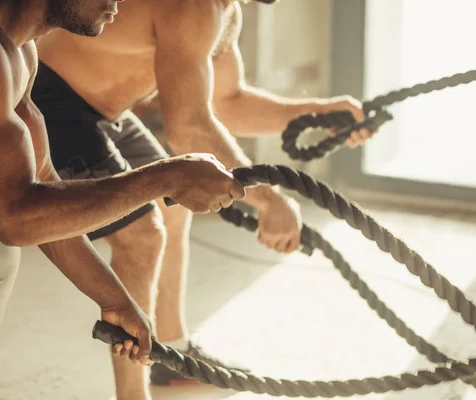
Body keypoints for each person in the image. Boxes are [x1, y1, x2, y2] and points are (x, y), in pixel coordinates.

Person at [0, 0, 245, 399]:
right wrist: (165, 177)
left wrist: (115, 300)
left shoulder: (18, 50)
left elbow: (42, 187)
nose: (118, 2)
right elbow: (14, 217)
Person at [31, 0, 375, 396]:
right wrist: (269, 200)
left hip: (104, 112)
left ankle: (173, 354)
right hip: (49, 97)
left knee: (172, 207)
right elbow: (189, 128)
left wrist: (321, 113)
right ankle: (132, 396)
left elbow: (228, 103)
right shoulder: (195, 6)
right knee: (143, 234)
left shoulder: (226, 11)